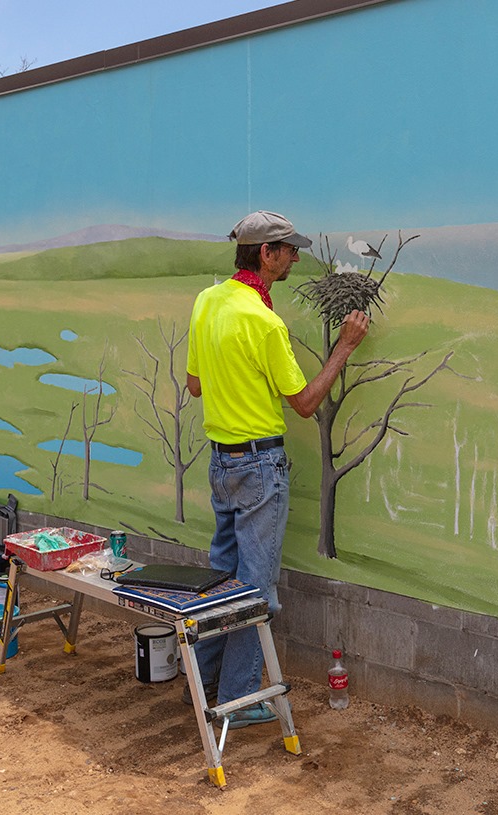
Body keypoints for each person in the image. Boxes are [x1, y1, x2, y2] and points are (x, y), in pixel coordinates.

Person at [185, 210, 369, 728]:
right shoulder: (264, 321)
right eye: (288, 250)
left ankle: (202, 687)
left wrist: (235, 379)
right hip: (260, 466)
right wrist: (345, 347)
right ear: (265, 254)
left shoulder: (208, 301)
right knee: (255, 590)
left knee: (222, 581)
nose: (294, 257)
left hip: (221, 461)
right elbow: (307, 402)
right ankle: (240, 701)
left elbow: (196, 386)